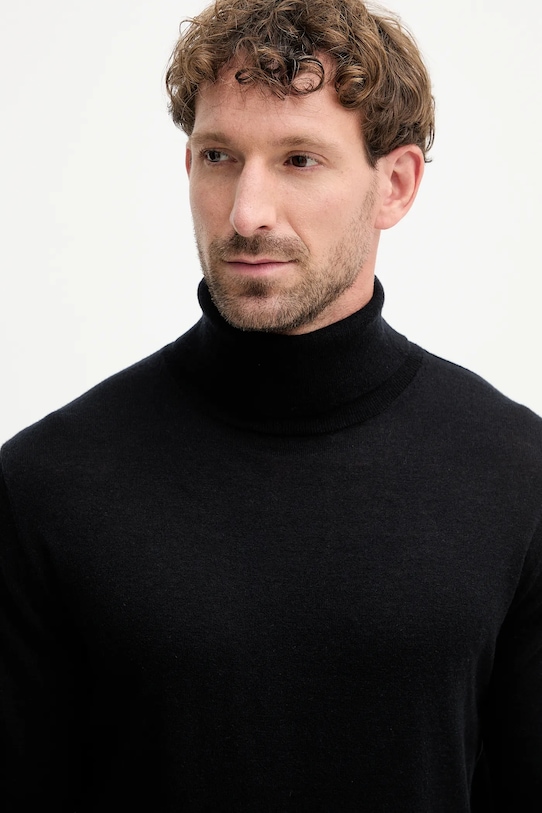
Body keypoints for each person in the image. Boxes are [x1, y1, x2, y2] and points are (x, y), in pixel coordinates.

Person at [1, 0, 541, 809]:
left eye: (299, 159)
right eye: (220, 155)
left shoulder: (517, 474)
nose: (246, 213)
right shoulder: (46, 484)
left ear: (394, 185)